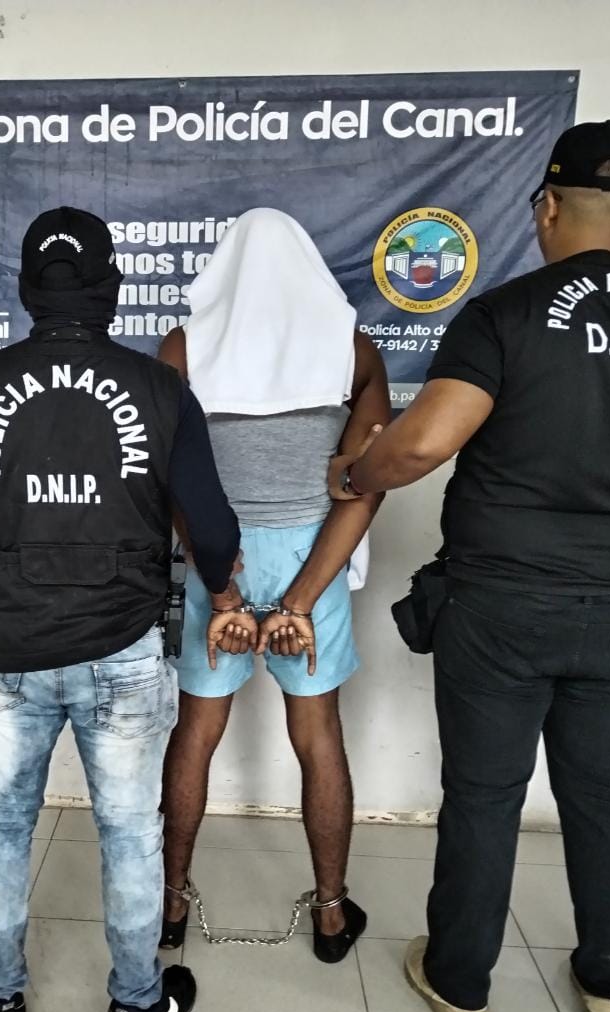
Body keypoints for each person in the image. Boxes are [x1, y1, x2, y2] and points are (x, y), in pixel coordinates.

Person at [330, 121, 610, 1012]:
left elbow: (425, 442)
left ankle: (461, 986)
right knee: (608, 797)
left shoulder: (504, 315)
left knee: (485, 795)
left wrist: (356, 473)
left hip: (502, 607)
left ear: (547, 207)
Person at [0, 206, 247, 1012]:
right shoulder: (159, 389)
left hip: (10, 645)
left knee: (3, 825)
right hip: (123, 647)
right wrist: (223, 591)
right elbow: (213, 525)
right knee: (130, 830)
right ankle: (137, 1002)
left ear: (27, 290)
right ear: (110, 287)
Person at [157, 207, 389, 962]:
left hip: (217, 554)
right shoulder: (350, 349)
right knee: (318, 736)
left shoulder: (184, 347)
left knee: (196, 731)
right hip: (312, 555)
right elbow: (367, 481)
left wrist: (220, 584)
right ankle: (331, 912)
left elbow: (170, 478)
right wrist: (301, 599)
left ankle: (170, 902)